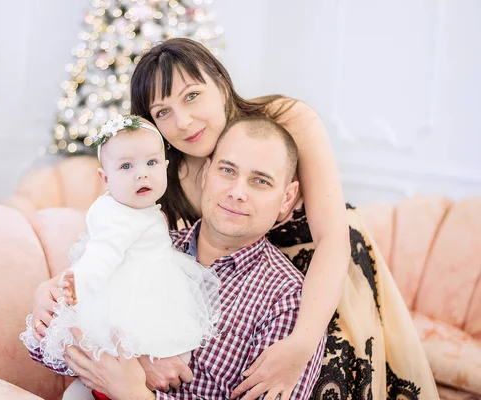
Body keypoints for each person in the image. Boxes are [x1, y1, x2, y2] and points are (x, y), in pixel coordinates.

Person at [30, 39, 439, 399]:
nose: (183, 122)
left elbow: (333, 238)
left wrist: (302, 341)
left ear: (222, 83)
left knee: (336, 375)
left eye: (192, 97)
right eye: (163, 111)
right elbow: (135, 252)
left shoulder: (287, 119)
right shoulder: (170, 170)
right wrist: (68, 288)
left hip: (324, 267)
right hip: (243, 271)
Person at [35, 116, 327, 399]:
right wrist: (48, 301)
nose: (237, 192)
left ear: (287, 198)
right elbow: (43, 347)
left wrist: (134, 394)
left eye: (260, 181)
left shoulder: (290, 301)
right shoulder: (149, 245)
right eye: (227, 171)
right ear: (206, 172)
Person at [20, 115, 221, 397]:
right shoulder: (117, 216)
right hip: (124, 300)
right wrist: (82, 282)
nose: (142, 174)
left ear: (165, 167)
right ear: (105, 178)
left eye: (151, 163)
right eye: (126, 166)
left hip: (151, 289)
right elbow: (102, 253)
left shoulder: (142, 209)